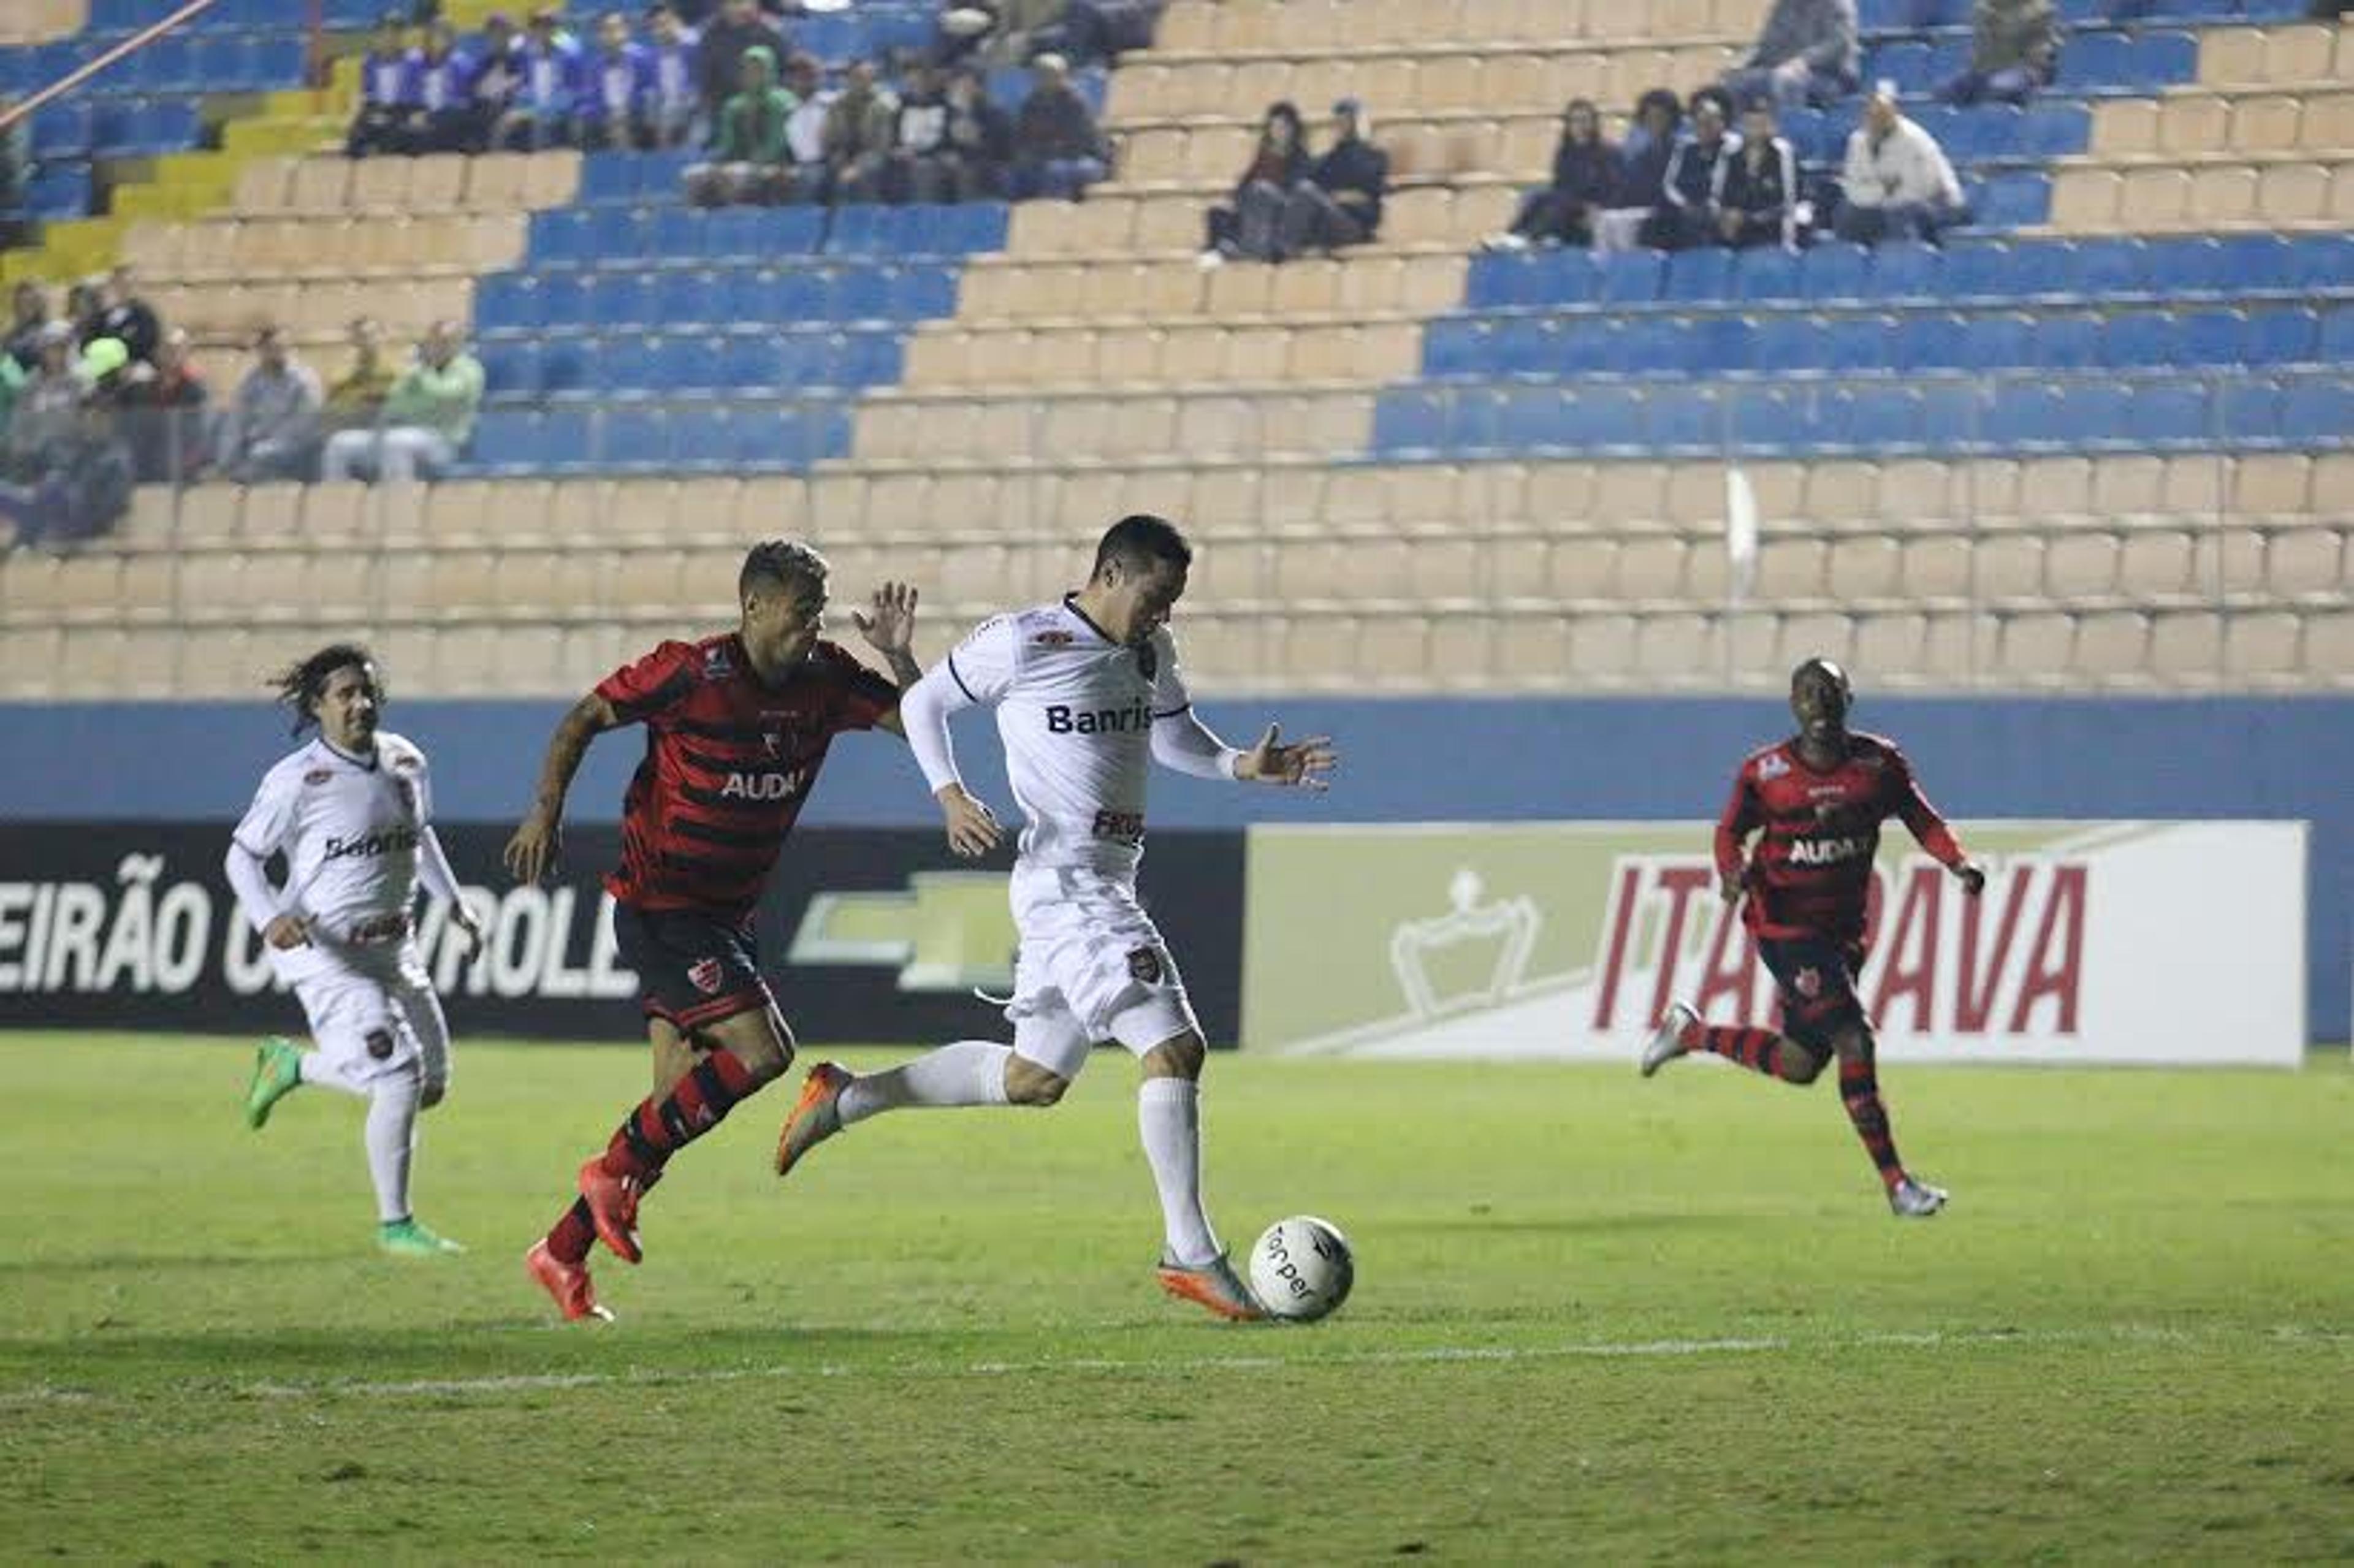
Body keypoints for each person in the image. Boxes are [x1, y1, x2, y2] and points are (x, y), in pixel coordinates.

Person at [773, 516, 1339, 1323]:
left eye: (1175, 601)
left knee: (1032, 1079)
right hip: (1068, 884)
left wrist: (1238, 763)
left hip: (1107, 876)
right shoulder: (1026, 639)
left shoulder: (1149, 653)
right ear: (1110, 573)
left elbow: (1171, 733)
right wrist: (950, 793)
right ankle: (1191, 1250)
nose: (1166, 615)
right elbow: (929, 702)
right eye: (1157, 596)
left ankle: (846, 1097)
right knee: (1175, 1046)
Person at [506, 549, 923, 1323]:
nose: (816, 621)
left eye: (822, 606)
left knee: (672, 1106)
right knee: (764, 1052)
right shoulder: (690, 674)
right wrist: (545, 813)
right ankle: (609, 1172)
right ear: (755, 606)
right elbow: (585, 718)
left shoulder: (827, 679)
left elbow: (921, 726)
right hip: (663, 904)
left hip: (729, 914)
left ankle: (561, 1251)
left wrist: (898, 656)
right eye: (805, 605)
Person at [1639, 658, 1982, 1219]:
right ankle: (1898, 1186)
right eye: (1806, 695)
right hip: (1785, 926)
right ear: (1793, 705)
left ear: (1848, 697)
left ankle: (1691, 1033)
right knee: (1855, 1040)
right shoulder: (1766, 773)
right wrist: (1731, 873)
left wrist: (1957, 864)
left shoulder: (1879, 763)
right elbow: (1730, 831)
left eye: (1828, 693)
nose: (1817, 704)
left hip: (1843, 932)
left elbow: (1922, 820)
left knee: (1801, 1063)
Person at [226, 646, 483, 1257]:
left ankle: (294, 1066)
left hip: (395, 947)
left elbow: (418, 834)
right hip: (325, 950)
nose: (360, 704)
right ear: (318, 706)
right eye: (345, 694)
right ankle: (396, 1224)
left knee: (430, 1085)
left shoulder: (406, 760)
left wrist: (453, 901)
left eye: (367, 692)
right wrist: (269, 917)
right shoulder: (297, 779)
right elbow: (241, 857)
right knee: (396, 1075)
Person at [320, 319, 482, 484]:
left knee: (395, 443)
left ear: (460, 343)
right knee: (339, 444)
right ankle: (338, 504)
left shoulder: (469, 369)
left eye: (446, 341)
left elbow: (443, 394)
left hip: (444, 443)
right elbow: (396, 400)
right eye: (435, 341)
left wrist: (423, 371)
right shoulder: (419, 371)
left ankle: (400, 505)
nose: (439, 346)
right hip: (404, 433)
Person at [1834, 83, 1965, 245]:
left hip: (1935, 201)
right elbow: (1853, 189)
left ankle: (1904, 264)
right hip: (1879, 203)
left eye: (1882, 116)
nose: (1877, 122)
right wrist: (1882, 189)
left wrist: (1875, 193)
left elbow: (1919, 190)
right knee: (1847, 214)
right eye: (1872, 116)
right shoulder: (1857, 141)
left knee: (1900, 217)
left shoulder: (1913, 140)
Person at [0, 392, 132, 549]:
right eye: (88, 418)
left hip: (83, 521)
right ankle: (27, 538)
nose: (93, 423)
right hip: (49, 512)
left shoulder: (117, 457)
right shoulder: (73, 447)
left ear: (110, 421)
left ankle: (25, 541)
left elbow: (115, 503)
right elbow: (30, 472)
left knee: (54, 484)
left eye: (100, 418)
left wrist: (99, 521)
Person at [1486, 98, 1620, 252]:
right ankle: (1511, 236)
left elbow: (1616, 189)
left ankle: (1530, 237)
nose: (1580, 125)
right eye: (1575, 121)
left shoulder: (1608, 153)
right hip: (1568, 206)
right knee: (1540, 197)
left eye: (1585, 120)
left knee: (1561, 200)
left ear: (1594, 123)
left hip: (1591, 208)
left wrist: (1599, 209)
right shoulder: (1565, 153)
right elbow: (1559, 185)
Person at [684, 44, 795, 206]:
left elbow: (778, 141)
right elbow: (727, 145)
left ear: (770, 70)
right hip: (740, 163)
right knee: (693, 176)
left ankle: (738, 219)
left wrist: (755, 163)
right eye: (748, 70)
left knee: (738, 175)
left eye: (759, 70)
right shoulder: (734, 105)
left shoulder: (782, 101)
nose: (753, 75)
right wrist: (719, 165)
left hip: (778, 163)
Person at [1202, 100, 1309, 264]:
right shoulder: (1263, 157)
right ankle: (1217, 252)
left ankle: (1254, 251)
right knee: (1216, 212)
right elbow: (1243, 188)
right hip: (1253, 206)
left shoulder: (1300, 159)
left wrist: (1267, 191)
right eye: (1273, 127)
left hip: (1279, 213)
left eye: (1282, 127)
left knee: (1261, 191)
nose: (1277, 132)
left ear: (1293, 129)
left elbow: (1296, 197)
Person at [216, 325, 322, 482]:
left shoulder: (304, 379)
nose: (276, 353)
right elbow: (237, 419)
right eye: (269, 349)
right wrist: (224, 460)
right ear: (261, 352)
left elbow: (304, 423)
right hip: (258, 445)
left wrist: (266, 439)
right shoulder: (252, 380)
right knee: (228, 451)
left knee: (260, 455)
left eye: (280, 348)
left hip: (299, 448)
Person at [1722, 0, 1859, 111]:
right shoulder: (1784, 5)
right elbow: (1765, 44)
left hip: (1829, 76)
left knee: (1787, 79)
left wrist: (1803, 61)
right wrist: (1743, 64)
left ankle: (1789, 138)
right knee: (1737, 81)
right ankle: (1743, 139)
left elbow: (1838, 43)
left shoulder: (1838, 4)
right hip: (1781, 70)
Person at [1644, 89, 1735, 251]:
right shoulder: (1685, 147)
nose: (1705, 128)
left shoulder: (1732, 148)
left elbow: (1723, 183)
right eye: (1700, 123)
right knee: (1655, 222)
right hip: (1686, 206)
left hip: (1716, 207)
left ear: (1722, 122)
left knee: (1706, 223)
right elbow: (1670, 185)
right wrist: (1684, 204)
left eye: (1711, 122)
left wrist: (1710, 204)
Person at [1008, 53, 1107, 200]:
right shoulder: (1030, 105)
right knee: (1015, 175)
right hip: (1043, 159)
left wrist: (1045, 152)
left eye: (1047, 74)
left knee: (1054, 172)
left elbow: (1079, 144)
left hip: (1081, 159)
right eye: (1038, 75)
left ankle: (1055, 217)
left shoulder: (1075, 104)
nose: (1041, 79)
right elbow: (1022, 139)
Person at [118, 325, 209, 482]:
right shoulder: (144, 389)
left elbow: (197, 433)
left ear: (185, 353)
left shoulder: (195, 391)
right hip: (148, 461)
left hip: (180, 464)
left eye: (177, 349)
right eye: (168, 349)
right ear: (159, 352)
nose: (172, 354)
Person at [1714, 98, 1804, 249]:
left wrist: (1750, 219)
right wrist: (1727, 214)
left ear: (1772, 126)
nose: (1755, 131)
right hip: (1735, 224)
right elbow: (1717, 195)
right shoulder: (1729, 152)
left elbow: (1789, 202)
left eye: (1761, 125)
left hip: (1771, 224)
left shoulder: (1784, 153)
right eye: (1749, 125)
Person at [493, 8, 582, 151]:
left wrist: (536, 112)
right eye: (538, 27)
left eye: (548, 26)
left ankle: (541, 170)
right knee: (503, 123)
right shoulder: (529, 59)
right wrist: (517, 109)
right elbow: (526, 91)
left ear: (556, 30)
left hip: (561, 114)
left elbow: (570, 96)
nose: (543, 31)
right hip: (533, 112)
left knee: (539, 126)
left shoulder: (569, 58)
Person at [1943, 0, 2061, 106]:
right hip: (1987, 71)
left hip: (2025, 72)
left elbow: (2042, 52)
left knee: (2001, 85)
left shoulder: (2040, 10)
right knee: (1949, 92)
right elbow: (1982, 49)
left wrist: (2033, 73)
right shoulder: (1984, 8)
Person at [820, 58, 897, 204]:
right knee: (828, 173)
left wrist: (858, 166)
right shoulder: (837, 105)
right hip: (845, 157)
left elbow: (883, 146)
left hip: (872, 157)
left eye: (863, 77)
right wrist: (835, 153)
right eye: (853, 77)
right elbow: (829, 138)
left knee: (863, 176)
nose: (857, 82)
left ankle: (869, 217)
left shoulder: (883, 105)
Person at [576, 10, 653, 151]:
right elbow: (590, 100)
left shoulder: (642, 59)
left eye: (617, 28)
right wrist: (606, 117)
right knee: (585, 125)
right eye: (607, 30)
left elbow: (649, 92)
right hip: (605, 121)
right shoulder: (595, 67)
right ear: (599, 36)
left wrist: (626, 113)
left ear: (627, 31)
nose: (613, 34)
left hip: (635, 117)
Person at [937, 63, 1014, 199]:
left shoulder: (994, 112)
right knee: (930, 169)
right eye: (958, 84)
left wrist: (967, 116)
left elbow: (996, 148)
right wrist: (947, 154)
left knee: (967, 172)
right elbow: (945, 142)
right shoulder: (950, 112)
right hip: (960, 160)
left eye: (966, 84)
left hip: (989, 162)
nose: (961, 89)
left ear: (979, 87)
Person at [347, 12, 417, 157]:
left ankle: (380, 153)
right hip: (377, 110)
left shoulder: (412, 61)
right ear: (377, 36)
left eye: (395, 33)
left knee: (398, 131)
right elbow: (365, 94)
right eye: (385, 33)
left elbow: (416, 98)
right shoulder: (369, 63)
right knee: (356, 133)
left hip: (402, 111)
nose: (390, 38)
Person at [885, 61, 953, 203]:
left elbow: (946, 139)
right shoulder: (898, 105)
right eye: (910, 80)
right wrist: (896, 149)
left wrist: (920, 154)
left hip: (933, 155)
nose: (915, 84)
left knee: (923, 168)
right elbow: (891, 134)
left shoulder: (944, 105)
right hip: (903, 155)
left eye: (919, 79)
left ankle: (923, 215)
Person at [643, 2, 702, 148]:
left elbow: (700, 90)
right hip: (668, 118)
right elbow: (655, 94)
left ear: (678, 21)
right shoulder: (653, 57)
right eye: (656, 26)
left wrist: (682, 108)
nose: (662, 30)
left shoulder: (695, 47)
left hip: (697, 114)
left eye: (666, 23)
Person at [464, 12, 524, 151]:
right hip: (485, 115)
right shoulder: (481, 66)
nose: (498, 38)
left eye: (503, 33)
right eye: (494, 34)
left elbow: (526, 94)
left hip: (514, 114)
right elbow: (472, 94)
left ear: (510, 36)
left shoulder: (522, 61)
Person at [93, 265, 159, 367]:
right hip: (104, 364)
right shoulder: (104, 315)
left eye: (128, 285)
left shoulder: (144, 314)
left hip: (135, 364)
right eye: (120, 284)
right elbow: (92, 338)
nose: (125, 289)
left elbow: (147, 342)